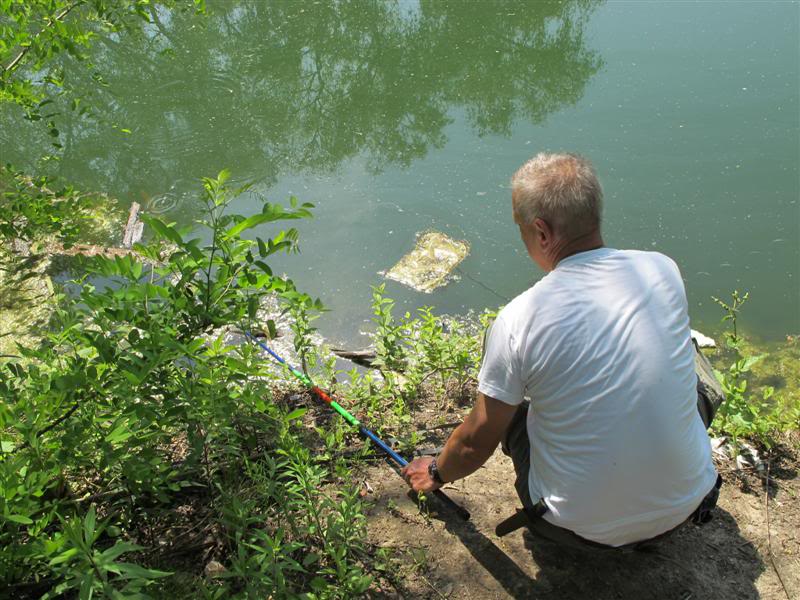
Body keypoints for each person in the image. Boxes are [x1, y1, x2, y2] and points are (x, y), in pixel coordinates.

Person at [401, 152, 723, 550]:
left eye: (520, 230)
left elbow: (473, 445)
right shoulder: (661, 269)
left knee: (510, 407)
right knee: (688, 357)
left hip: (580, 531)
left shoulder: (517, 320)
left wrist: (434, 470)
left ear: (541, 232)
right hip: (687, 504)